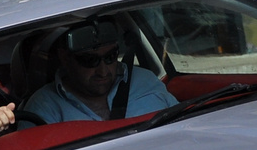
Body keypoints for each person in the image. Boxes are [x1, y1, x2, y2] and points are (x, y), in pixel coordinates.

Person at [21, 19, 176, 125]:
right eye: (90, 60)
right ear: (65, 58)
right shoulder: (43, 107)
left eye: (110, 57)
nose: (103, 71)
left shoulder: (146, 81)